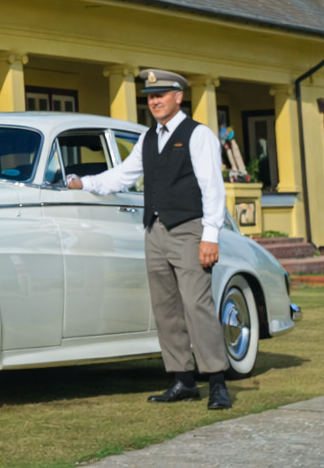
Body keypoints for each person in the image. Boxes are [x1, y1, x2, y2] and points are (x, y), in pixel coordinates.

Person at [68, 69, 233, 410]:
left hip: (189, 229)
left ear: (178, 97)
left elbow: (212, 188)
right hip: (154, 231)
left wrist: (211, 235)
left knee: (197, 305)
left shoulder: (198, 135)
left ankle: (217, 381)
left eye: (161, 95)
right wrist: (84, 183)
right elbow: (122, 176)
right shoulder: (148, 138)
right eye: (150, 96)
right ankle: (183, 380)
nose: (154, 101)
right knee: (166, 308)